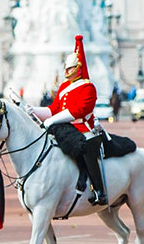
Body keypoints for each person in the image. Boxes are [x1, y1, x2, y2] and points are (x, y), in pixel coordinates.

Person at [32, 35, 106, 206]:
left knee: (86, 150)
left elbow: (80, 110)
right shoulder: (65, 87)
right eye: (66, 69)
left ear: (78, 68)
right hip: (65, 130)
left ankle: (100, 190)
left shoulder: (88, 87)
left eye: (70, 69)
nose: (67, 72)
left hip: (85, 129)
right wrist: (31, 110)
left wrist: (52, 121)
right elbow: (53, 109)